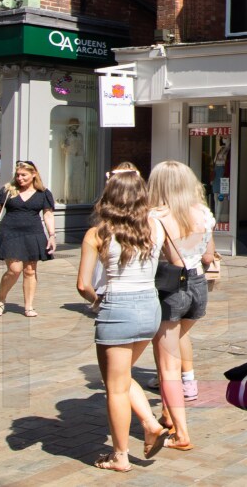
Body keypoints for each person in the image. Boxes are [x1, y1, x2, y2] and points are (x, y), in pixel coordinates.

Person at [76, 167, 171, 469]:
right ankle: (150, 424)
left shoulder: (97, 233)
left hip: (117, 308)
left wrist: (96, 301)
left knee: (114, 387)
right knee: (122, 376)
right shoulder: (156, 227)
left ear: (108, 197)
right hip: (149, 307)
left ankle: (120, 455)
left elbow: (83, 285)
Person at [147, 159, 221, 418]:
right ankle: (187, 382)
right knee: (178, 337)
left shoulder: (156, 216)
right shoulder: (203, 213)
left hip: (170, 286)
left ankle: (170, 414)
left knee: (165, 349)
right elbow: (209, 256)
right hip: (198, 284)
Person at [0, 160, 57, 317]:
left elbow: (48, 214)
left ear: (34, 175)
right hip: (10, 233)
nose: (20, 178)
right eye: (18, 175)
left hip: (33, 233)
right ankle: (1, 298)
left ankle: (29, 306)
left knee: (30, 271)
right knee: (14, 270)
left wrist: (52, 235)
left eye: (24, 175)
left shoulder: (43, 193)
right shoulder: (7, 191)